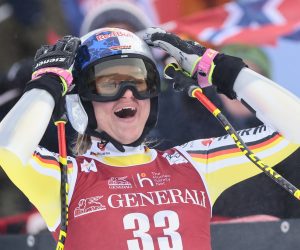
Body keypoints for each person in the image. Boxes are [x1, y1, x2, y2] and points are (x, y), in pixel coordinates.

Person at [0, 27, 300, 250]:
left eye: (138, 81)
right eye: (110, 83)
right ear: (82, 102)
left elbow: (294, 127)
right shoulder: (66, 178)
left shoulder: (195, 164)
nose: (127, 93)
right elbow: (7, 150)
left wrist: (222, 69)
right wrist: (47, 84)